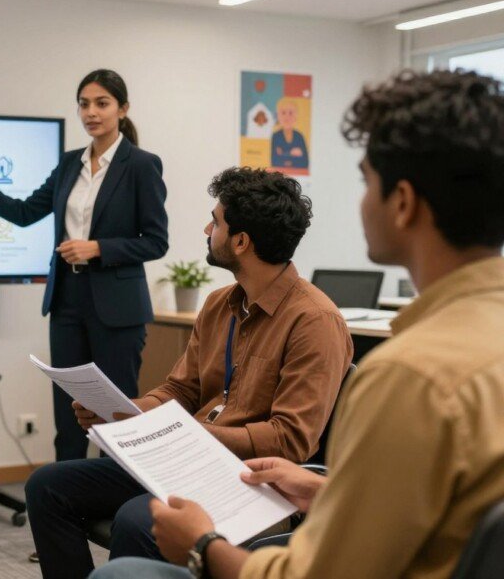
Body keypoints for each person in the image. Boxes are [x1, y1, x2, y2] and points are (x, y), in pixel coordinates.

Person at [91, 69, 504, 579]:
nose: (360, 201)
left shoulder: (410, 378)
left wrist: (203, 548)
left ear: (402, 203)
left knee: (118, 572)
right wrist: (328, 489)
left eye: (366, 181)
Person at [24, 166, 352, 579]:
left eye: (214, 221)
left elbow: (290, 440)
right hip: (184, 461)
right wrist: (126, 412)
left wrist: (187, 434)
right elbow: (181, 389)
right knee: (47, 486)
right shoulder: (219, 304)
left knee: (136, 518)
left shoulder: (314, 321)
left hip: (252, 480)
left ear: (241, 241)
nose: (205, 228)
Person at [0, 69, 169, 463]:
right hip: (67, 301)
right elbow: (25, 211)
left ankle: (114, 506)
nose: (91, 112)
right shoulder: (69, 164)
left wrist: (97, 248)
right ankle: (66, 504)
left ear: (122, 109)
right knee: (68, 416)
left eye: (102, 103)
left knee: (116, 416)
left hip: (118, 308)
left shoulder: (141, 165)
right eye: (84, 104)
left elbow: (155, 241)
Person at [270, 98, 309, 171]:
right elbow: (275, 161)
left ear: (296, 116)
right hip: (279, 175)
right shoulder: (276, 136)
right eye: (283, 113)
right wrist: (292, 153)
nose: (287, 117)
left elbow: (304, 162)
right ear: (278, 116)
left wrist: (283, 154)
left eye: (291, 113)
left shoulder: (299, 136)